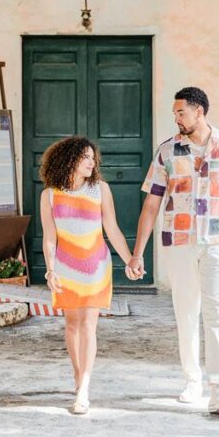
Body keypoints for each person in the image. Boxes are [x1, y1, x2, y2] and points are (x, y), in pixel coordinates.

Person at [126, 86, 219, 414]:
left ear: (199, 112)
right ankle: (192, 380)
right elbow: (151, 204)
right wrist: (137, 252)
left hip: (218, 242)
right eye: (175, 113)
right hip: (180, 242)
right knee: (186, 313)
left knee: (217, 312)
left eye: (181, 112)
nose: (176, 118)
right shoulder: (167, 152)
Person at [40, 136, 134, 415]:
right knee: (72, 324)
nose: (92, 163)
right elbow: (49, 238)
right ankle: (77, 375)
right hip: (65, 268)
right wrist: (50, 268)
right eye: (85, 158)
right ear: (68, 160)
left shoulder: (100, 190)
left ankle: (84, 390)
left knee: (88, 325)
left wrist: (130, 260)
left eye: (93, 158)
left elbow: (112, 230)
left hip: (96, 266)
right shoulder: (49, 195)